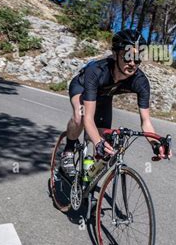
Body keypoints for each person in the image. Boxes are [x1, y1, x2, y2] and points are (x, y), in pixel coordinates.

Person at [61, 29, 169, 174]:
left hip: (105, 95)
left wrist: (155, 144)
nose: (132, 63)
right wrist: (97, 142)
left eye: (137, 59)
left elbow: (146, 122)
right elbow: (88, 118)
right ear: (115, 54)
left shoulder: (140, 82)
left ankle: (88, 181)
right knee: (80, 117)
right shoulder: (97, 71)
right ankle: (68, 151)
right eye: (127, 57)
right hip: (82, 88)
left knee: (105, 142)